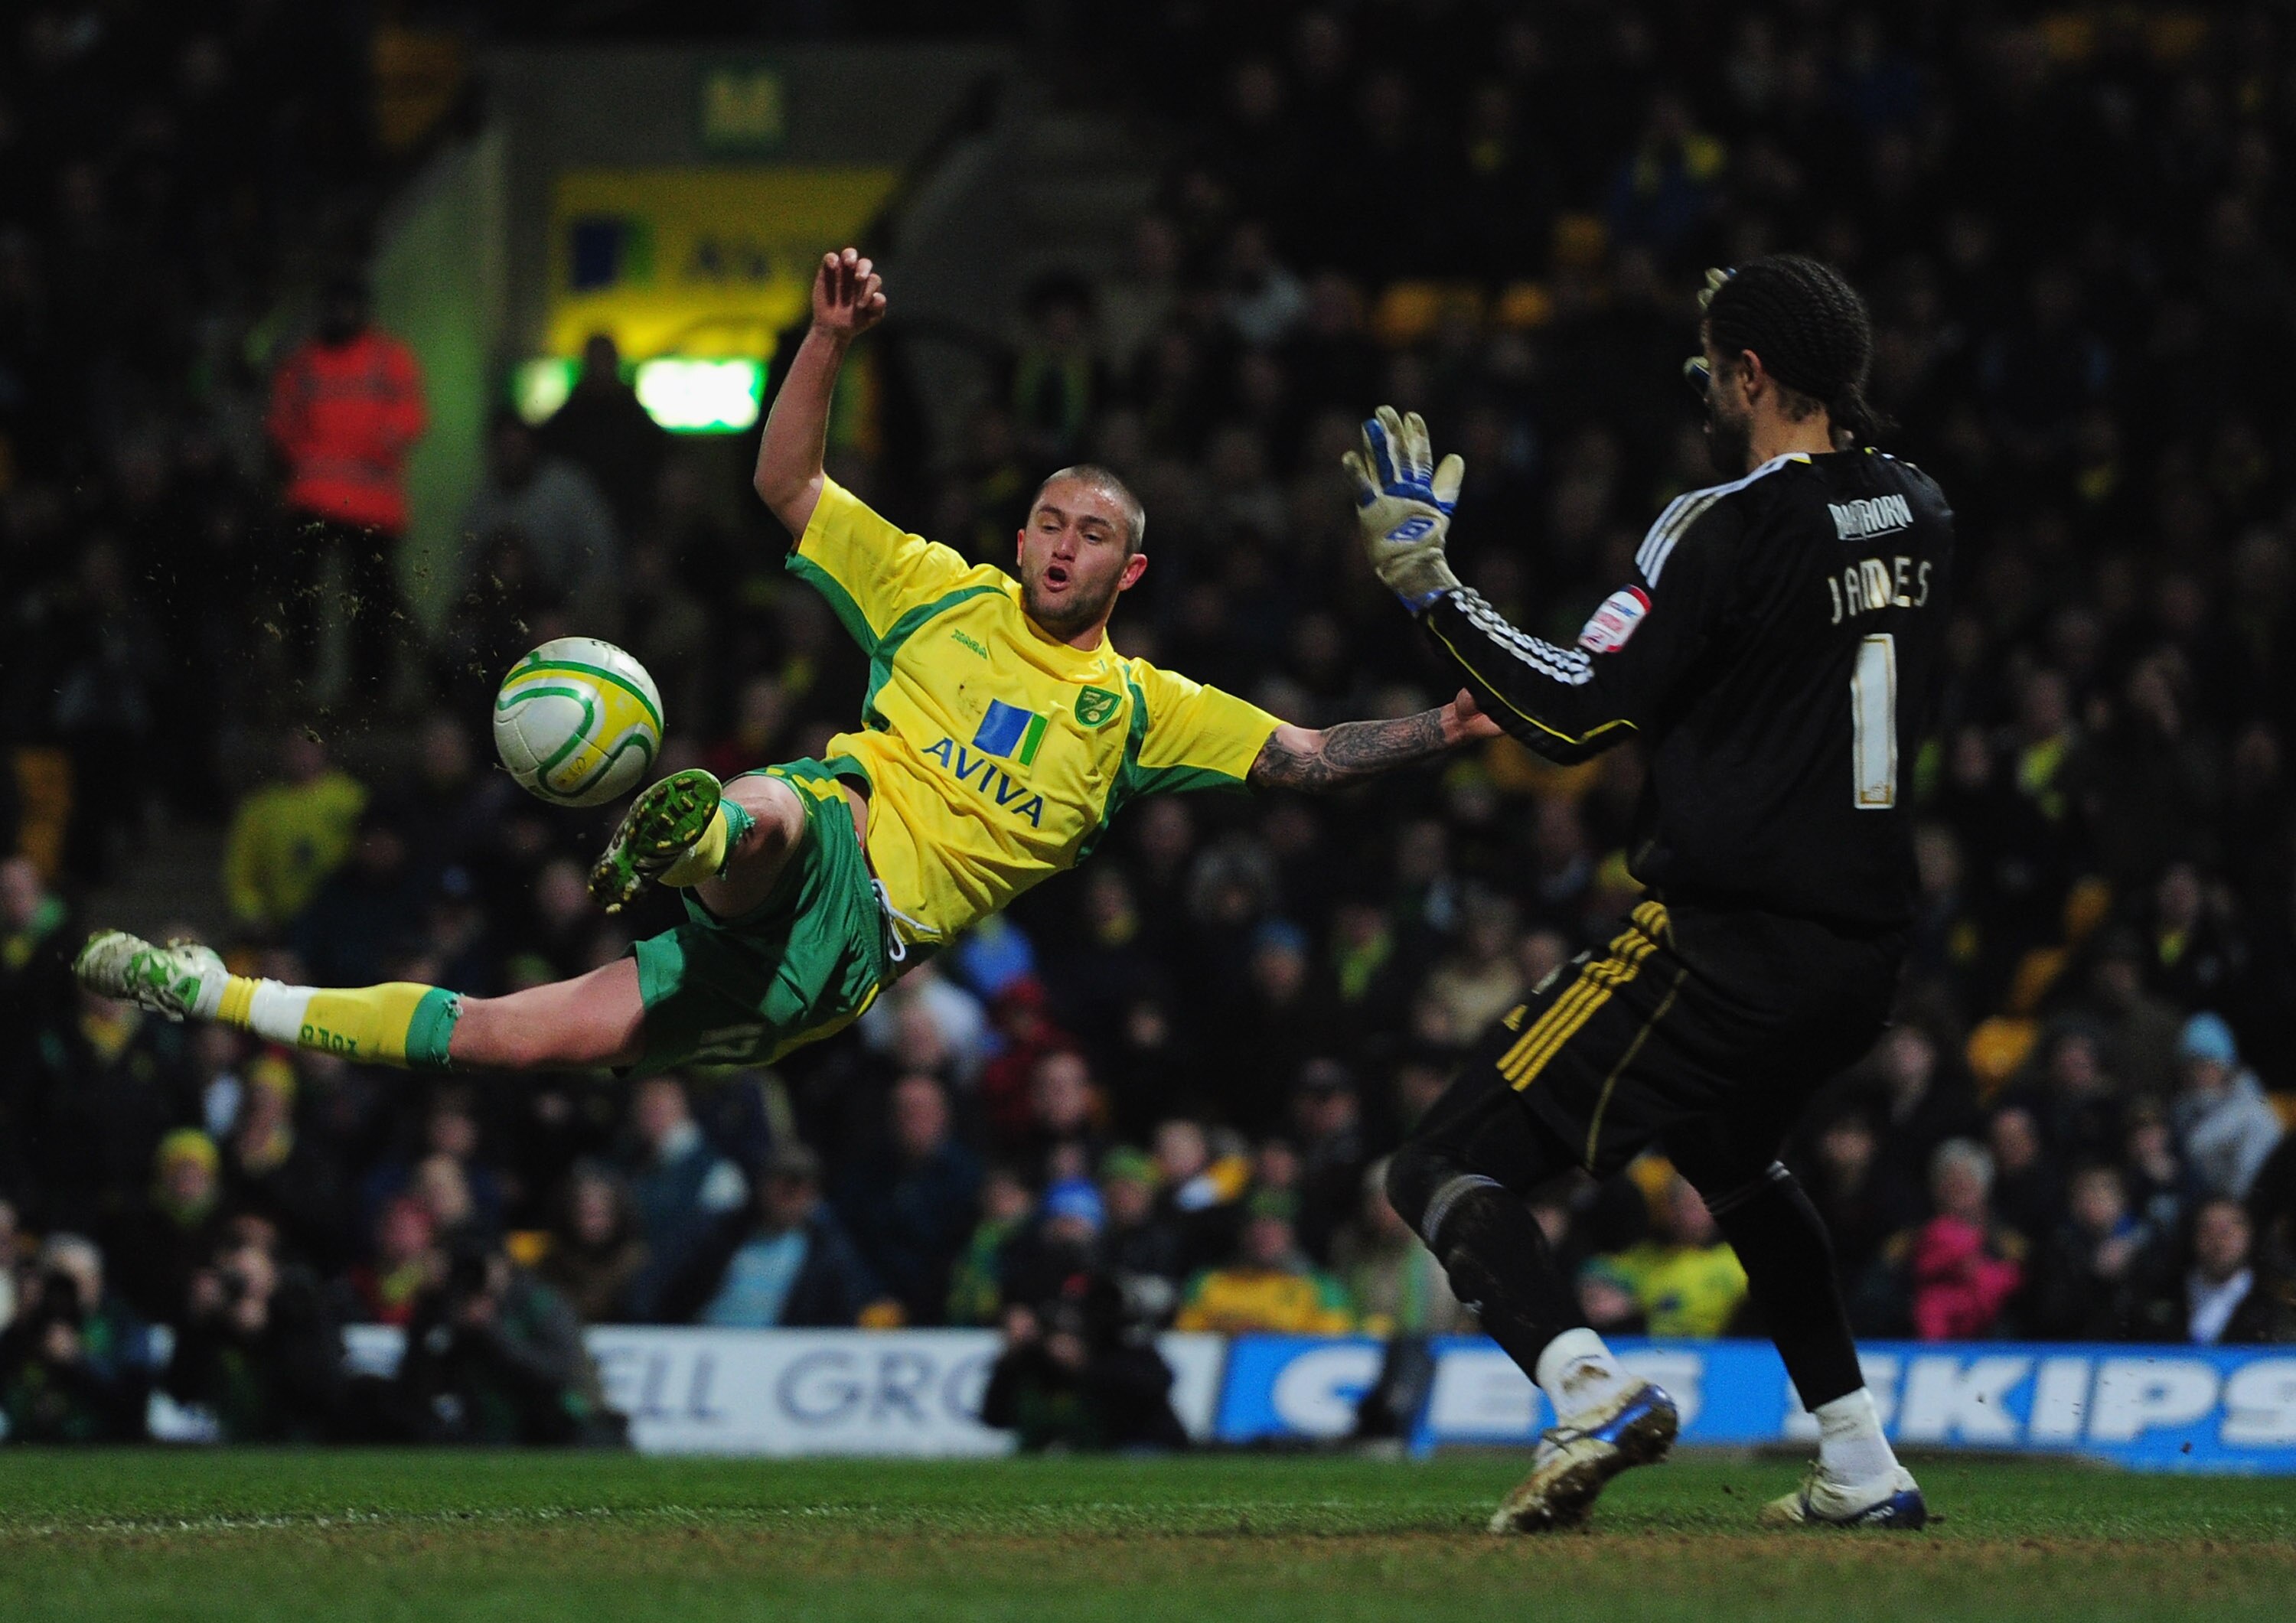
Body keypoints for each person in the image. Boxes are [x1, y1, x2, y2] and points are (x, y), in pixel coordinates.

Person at [75, 248, 1494, 1093]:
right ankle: (210, 988)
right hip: (818, 835)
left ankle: (701, 838)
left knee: (579, 1007)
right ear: (1021, 536)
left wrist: (1446, 716)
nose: (1064, 546)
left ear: (1131, 576)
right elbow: (788, 478)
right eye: (1050, 522)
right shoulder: (941, 592)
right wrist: (823, 339)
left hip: (852, 941)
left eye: (1095, 537)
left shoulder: (1144, 708)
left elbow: (1306, 755)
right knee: (515, 1025)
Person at [1360, 256, 1952, 1531]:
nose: (1697, 388)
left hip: (1725, 941)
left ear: (1752, 375)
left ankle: (1589, 1394)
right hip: (1866, 956)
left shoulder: (1715, 523)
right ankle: (1858, 1463)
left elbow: (1577, 708)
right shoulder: (1920, 509)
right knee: (1732, 1151)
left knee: (1440, 1161)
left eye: (1708, 365)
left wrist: (1433, 590)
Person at [264, 275, 426, 701]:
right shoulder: (306, 363)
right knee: (314, 599)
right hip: (324, 496)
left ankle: (365, 686)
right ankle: (313, 679)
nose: (341, 315)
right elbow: (281, 423)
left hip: (364, 501)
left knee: (367, 601)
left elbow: (410, 417)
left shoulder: (387, 358)